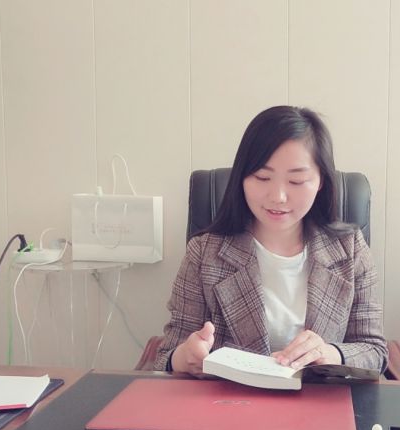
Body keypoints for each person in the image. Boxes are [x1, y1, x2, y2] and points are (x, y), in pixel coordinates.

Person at [154, 105, 387, 375]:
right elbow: (166, 356)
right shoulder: (204, 253)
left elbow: (375, 352)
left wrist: (329, 353)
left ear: (321, 181)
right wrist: (185, 357)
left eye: (296, 181)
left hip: (319, 398)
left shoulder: (350, 249)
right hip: (229, 398)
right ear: (242, 177)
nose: (278, 197)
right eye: (262, 177)